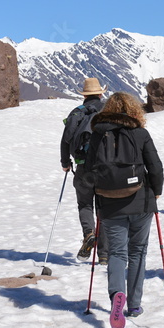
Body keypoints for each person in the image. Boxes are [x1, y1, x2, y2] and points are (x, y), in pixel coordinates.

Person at [88, 92, 164, 328]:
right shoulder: (140, 133)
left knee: (117, 253)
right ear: (134, 110)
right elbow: (155, 167)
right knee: (138, 252)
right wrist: (157, 191)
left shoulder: (98, 134)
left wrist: (92, 197)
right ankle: (134, 305)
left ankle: (116, 296)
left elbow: (89, 168)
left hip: (109, 202)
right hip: (141, 201)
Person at [60, 77, 109, 262]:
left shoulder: (77, 113)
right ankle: (104, 255)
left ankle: (89, 233)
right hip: (105, 168)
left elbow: (65, 140)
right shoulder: (107, 111)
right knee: (103, 208)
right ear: (100, 93)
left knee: (85, 204)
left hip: (83, 167)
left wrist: (65, 163)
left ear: (84, 95)